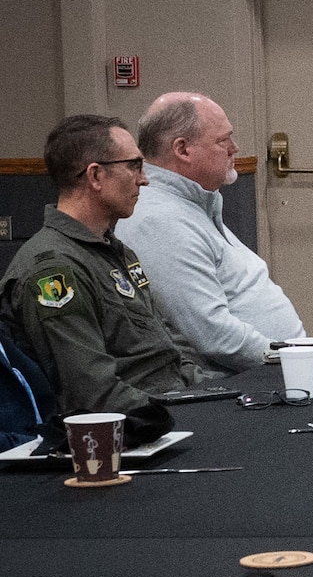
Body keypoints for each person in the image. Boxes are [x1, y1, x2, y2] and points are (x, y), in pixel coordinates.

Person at [0, 115, 200, 432]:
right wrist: (187, 415)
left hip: (173, 407)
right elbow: (92, 394)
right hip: (135, 430)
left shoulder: (115, 252)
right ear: (96, 175)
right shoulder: (53, 270)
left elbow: (165, 355)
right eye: (134, 165)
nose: (144, 179)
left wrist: (213, 395)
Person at [119, 92, 305, 375]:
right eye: (223, 140)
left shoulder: (194, 204)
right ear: (182, 150)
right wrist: (296, 362)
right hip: (243, 388)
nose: (235, 148)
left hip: (272, 374)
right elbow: (213, 335)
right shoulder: (158, 221)